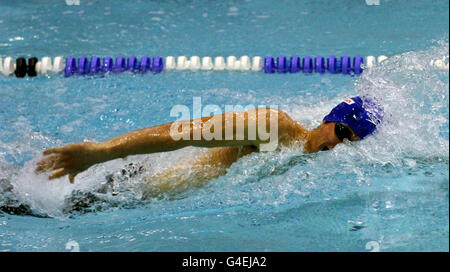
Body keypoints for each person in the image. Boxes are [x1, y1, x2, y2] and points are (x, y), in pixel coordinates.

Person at [35, 96, 382, 196]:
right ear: (326, 120)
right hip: (127, 191)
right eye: (340, 130)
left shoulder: (305, 159)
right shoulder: (276, 127)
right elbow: (185, 131)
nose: (339, 144)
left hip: (139, 197)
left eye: (351, 140)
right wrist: (102, 152)